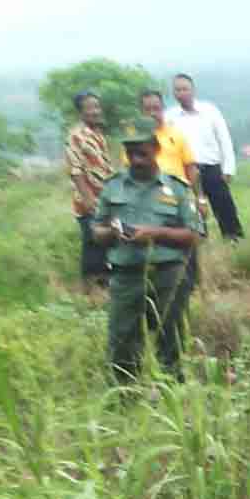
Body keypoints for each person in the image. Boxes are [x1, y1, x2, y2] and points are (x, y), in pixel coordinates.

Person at [91, 117, 202, 384]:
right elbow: (97, 231)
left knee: (171, 337)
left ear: (156, 148)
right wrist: (112, 232)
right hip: (126, 275)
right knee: (122, 339)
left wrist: (155, 234)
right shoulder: (113, 186)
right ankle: (124, 394)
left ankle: (172, 392)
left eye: (142, 153)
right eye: (130, 153)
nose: (136, 160)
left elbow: (194, 235)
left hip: (168, 274)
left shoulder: (177, 188)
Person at [140, 89, 203, 324]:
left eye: (156, 108)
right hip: (150, 207)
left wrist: (200, 198)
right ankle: (154, 311)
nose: (152, 113)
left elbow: (191, 168)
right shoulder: (137, 141)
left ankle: (184, 300)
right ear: (141, 112)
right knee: (156, 257)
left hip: (180, 203)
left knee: (188, 250)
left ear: (162, 109)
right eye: (147, 109)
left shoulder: (176, 135)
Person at [166, 74, 243, 239]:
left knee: (224, 206)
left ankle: (233, 238)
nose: (182, 93)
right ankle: (200, 240)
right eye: (177, 90)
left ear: (193, 90)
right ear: (174, 93)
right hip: (185, 170)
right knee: (193, 208)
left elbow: (224, 140)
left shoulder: (210, 111)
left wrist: (228, 169)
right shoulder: (170, 117)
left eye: (185, 89)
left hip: (211, 167)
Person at [64, 91, 113, 288]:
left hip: (104, 198)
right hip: (88, 200)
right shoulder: (76, 136)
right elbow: (75, 170)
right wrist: (88, 198)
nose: (95, 111)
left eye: (97, 106)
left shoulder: (98, 134)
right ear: (80, 112)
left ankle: (103, 284)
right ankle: (90, 286)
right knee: (92, 242)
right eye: (90, 108)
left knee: (104, 241)